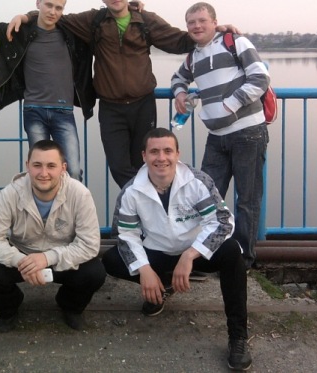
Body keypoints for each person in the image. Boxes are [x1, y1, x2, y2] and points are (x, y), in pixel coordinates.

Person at [8, 0, 238, 188]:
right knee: (118, 167)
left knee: (144, 162)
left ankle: (142, 210)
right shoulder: (94, 20)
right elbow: (57, 17)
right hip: (111, 108)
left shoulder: (145, 20)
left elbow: (178, 41)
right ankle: (141, 204)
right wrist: (26, 17)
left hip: (143, 104)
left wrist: (212, 31)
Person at [101, 127, 251, 371]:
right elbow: (125, 235)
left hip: (194, 253)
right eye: (154, 152)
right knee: (111, 260)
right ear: (144, 156)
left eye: (168, 151)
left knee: (232, 251)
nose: (161, 158)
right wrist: (145, 270)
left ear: (177, 154)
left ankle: (238, 337)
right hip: (158, 254)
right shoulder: (131, 190)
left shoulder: (197, 181)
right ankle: (161, 287)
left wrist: (191, 254)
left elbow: (223, 222)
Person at [171, 2, 270, 269]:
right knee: (206, 197)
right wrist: (180, 92)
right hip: (216, 136)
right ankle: (210, 254)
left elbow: (260, 78)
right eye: (191, 22)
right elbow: (177, 78)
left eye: (202, 20)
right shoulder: (193, 57)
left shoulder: (235, 42)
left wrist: (230, 104)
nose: (196, 26)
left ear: (214, 22)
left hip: (248, 133)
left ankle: (243, 260)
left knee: (247, 200)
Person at [0, 140, 106, 332]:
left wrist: (47, 257)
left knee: (95, 272)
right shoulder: (11, 193)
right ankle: (8, 309)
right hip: (23, 256)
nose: (43, 173)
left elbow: (90, 244)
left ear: (63, 168)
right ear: (27, 165)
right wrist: (21, 261)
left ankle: (70, 306)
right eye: (37, 165)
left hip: (61, 256)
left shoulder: (80, 194)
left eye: (51, 166)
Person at [0, 0, 95, 181]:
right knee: (40, 171)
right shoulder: (22, 32)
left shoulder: (71, 33)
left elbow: (102, 17)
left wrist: (131, 6)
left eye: (58, 8)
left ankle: (69, 203)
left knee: (72, 172)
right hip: (34, 111)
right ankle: (41, 203)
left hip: (64, 112)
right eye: (48, 5)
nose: (53, 11)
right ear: (38, 4)